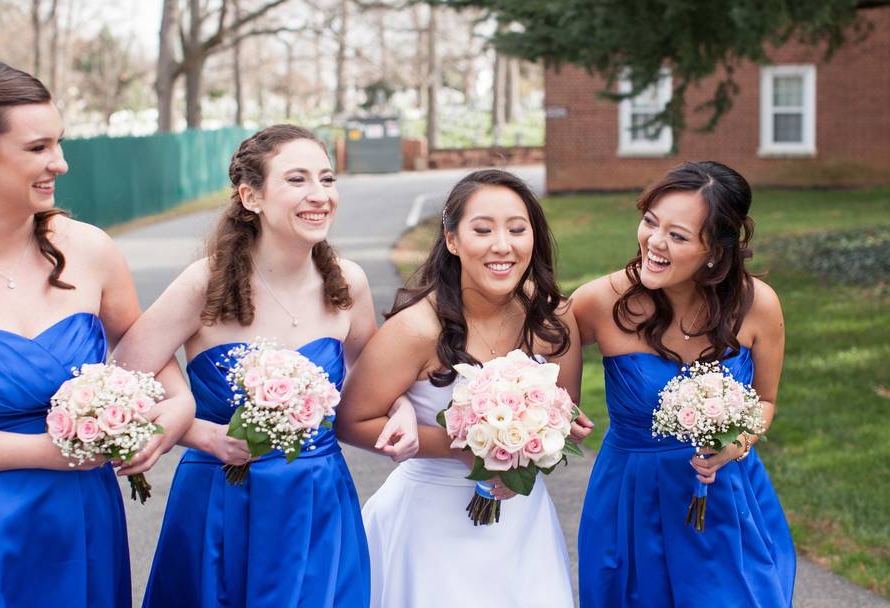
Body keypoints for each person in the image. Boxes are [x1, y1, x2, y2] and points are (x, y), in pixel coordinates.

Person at [112, 124, 418, 608]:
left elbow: (370, 370)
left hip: (318, 501)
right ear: (250, 196)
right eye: (297, 180)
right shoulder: (205, 283)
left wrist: (400, 407)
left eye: (327, 179)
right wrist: (199, 432)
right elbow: (124, 374)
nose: (319, 195)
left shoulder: (348, 284)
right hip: (220, 501)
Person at [0, 58, 193, 607]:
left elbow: (147, 351)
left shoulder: (89, 248)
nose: (61, 163)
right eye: (38, 148)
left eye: (60, 143)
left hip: (82, 518)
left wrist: (176, 411)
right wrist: (42, 451)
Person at [336, 169, 593, 608]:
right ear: (452, 240)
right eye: (482, 229)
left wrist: (545, 445)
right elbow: (351, 420)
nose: (502, 245)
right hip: (431, 526)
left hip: (521, 521)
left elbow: (563, 411)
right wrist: (466, 448)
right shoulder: (417, 328)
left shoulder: (552, 320)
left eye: (517, 229)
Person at [573, 161, 795, 607]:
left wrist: (739, 441)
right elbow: (536, 366)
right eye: (650, 222)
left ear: (714, 250)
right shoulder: (597, 301)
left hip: (726, 497)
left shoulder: (757, 306)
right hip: (630, 501)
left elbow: (765, 401)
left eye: (677, 235)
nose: (654, 242)